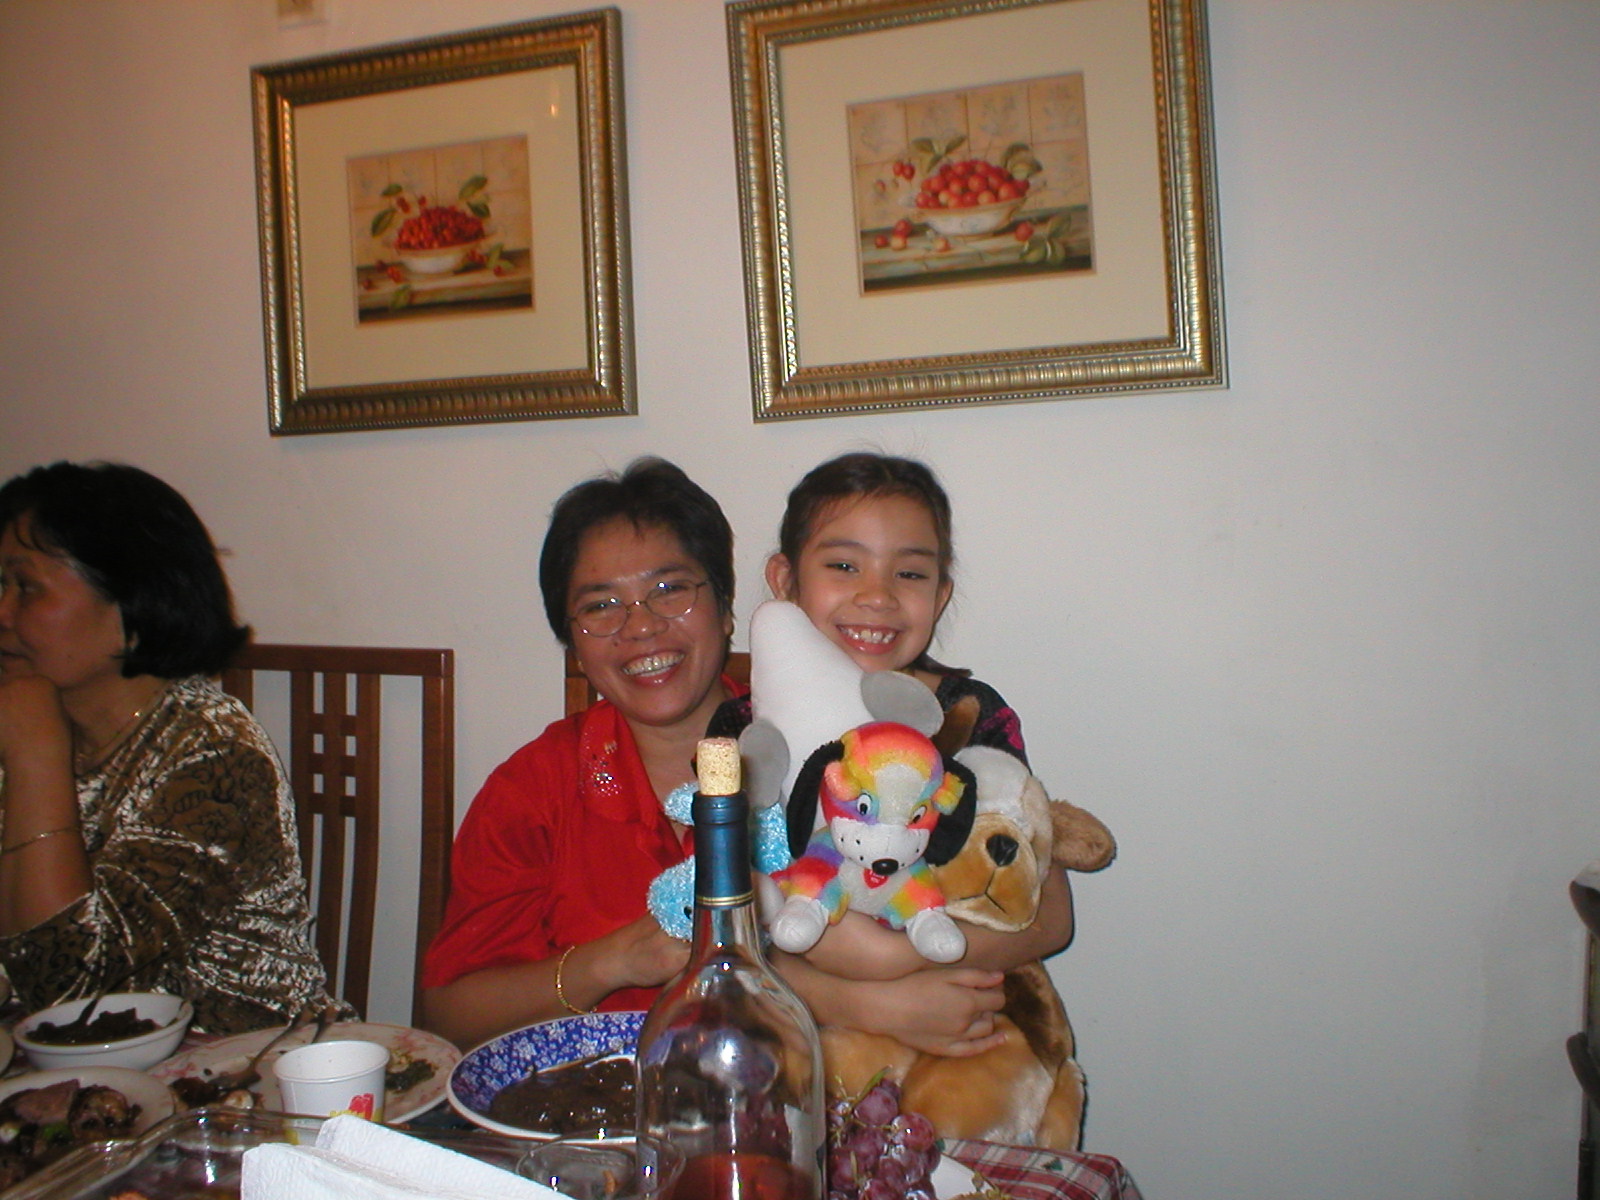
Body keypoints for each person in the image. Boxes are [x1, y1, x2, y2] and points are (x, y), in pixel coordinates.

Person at [711, 451, 1075, 1051]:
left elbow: (1052, 915)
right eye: (844, 565)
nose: (877, 595)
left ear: (940, 593)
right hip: (798, 1041)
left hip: (958, 1038)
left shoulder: (968, 716)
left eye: (909, 573)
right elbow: (715, 920)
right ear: (784, 579)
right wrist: (865, 1000)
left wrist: (897, 956)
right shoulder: (744, 732)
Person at [0, 461, 332, 1034]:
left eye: (25, 587)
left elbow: (69, 993)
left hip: (234, 1062)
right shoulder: (32, 718)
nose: (2, 613)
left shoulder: (213, 749)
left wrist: (35, 757)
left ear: (132, 599)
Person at [420, 458, 732, 1048]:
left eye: (669, 590)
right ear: (573, 645)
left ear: (725, 603)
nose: (639, 627)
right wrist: (611, 962)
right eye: (600, 606)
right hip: (593, 1097)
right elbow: (450, 1015)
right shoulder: (534, 788)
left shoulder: (810, 756)